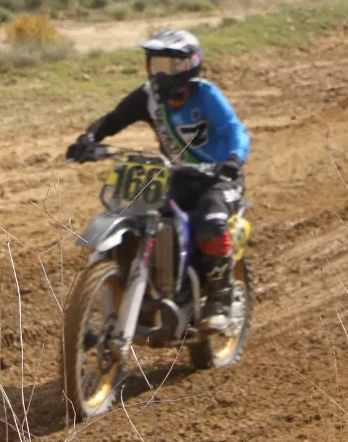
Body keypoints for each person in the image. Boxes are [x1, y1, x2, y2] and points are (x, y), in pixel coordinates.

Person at [67, 29, 250, 331]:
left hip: (218, 178)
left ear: (189, 66)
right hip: (175, 175)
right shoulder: (148, 97)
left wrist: (232, 160)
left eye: (169, 66)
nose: (160, 73)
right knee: (138, 215)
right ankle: (139, 286)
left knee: (212, 222)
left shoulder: (206, 95)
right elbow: (114, 119)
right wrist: (89, 138)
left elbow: (235, 130)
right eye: (155, 64)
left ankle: (220, 299)